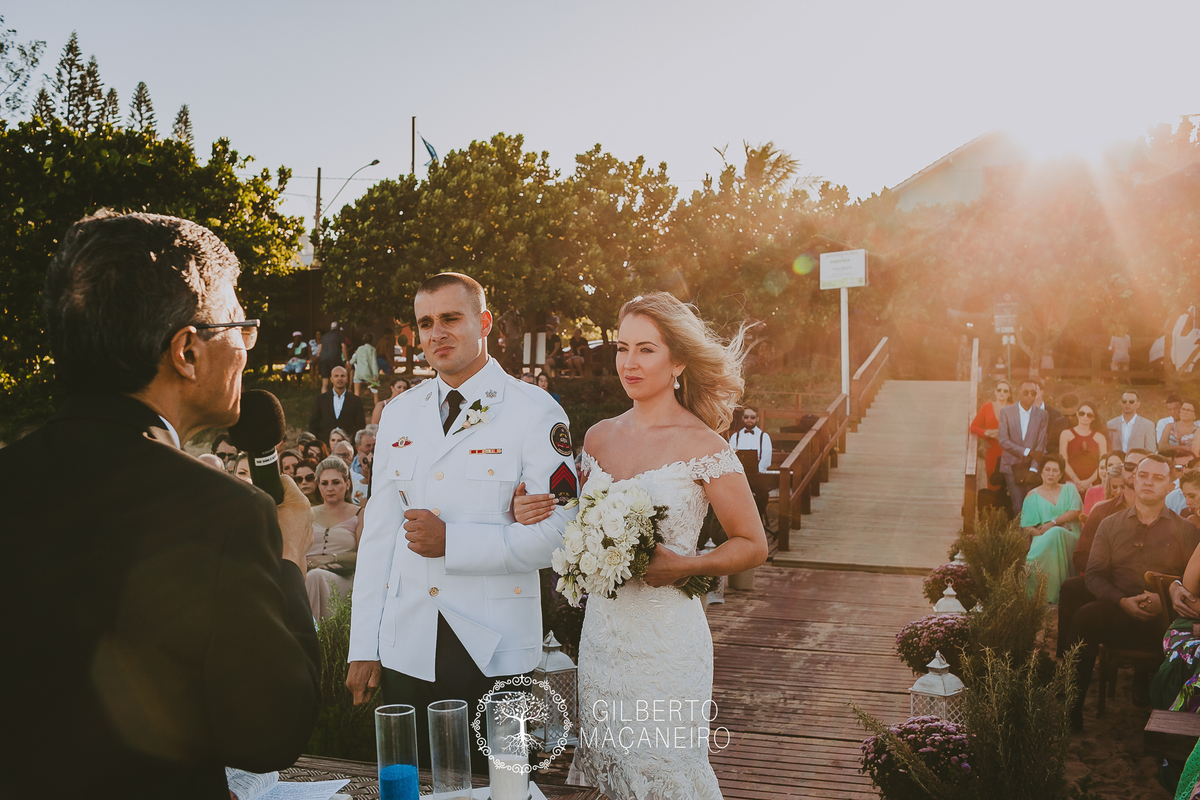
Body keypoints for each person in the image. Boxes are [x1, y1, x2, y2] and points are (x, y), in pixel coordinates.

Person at [0, 211, 319, 797]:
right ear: (187, 352)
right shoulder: (218, 512)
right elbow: (272, 731)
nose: (248, 351)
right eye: (240, 327)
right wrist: (289, 556)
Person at [514, 292, 768, 798]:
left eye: (646, 350)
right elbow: (575, 523)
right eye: (622, 347)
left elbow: (752, 544)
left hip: (668, 641)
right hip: (605, 637)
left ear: (678, 361)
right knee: (612, 772)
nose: (629, 362)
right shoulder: (598, 438)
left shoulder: (705, 446)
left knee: (665, 771)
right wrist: (526, 510)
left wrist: (685, 565)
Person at [347, 273, 578, 775]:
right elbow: (380, 538)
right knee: (412, 783)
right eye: (425, 323)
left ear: (484, 323)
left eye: (451, 318)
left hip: (492, 647)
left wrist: (453, 543)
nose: (436, 333)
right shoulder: (399, 414)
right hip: (408, 643)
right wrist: (364, 644)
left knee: (498, 786)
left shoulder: (534, 411)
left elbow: (562, 535)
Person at [1066, 454, 1200, 729]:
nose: (1148, 482)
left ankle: (1176, 728)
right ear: (1133, 479)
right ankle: (1071, 711)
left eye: (1157, 478)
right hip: (1118, 611)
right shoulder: (1110, 524)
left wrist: (1165, 599)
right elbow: (1093, 575)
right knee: (1083, 618)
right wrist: (1122, 600)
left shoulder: (1186, 530)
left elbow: (1193, 583)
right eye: (1143, 475)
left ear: (1170, 486)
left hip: (1166, 620)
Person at [307, 456, 364, 620]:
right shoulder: (307, 514)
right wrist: (309, 564)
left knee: (316, 577)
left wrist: (330, 559)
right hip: (306, 574)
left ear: (347, 484)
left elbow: (364, 556)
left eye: (336, 482)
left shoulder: (360, 514)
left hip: (344, 577)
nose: (330, 488)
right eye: (324, 483)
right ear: (318, 486)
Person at [1021, 455, 1082, 604]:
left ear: (1061, 474)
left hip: (1070, 534)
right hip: (1045, 538)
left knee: (1056, 532)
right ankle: (1038, 597)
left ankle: (1056, 597)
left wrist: (1053, 523)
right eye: (1047, 470)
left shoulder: (1069, 489)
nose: (1050, 473)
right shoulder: (1032, 496)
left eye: (1055, 471)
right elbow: (1026, 526)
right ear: (1041, 472)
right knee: (1051, 537)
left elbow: (1075, 511)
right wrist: (1040, 533)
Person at [998, 379, 1049, 518]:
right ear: (1019, 393)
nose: (1029, 396)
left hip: (1031, 467)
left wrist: (1033, 469)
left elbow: (1041, 445)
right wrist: (1027, 452)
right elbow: (1003, 440)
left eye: (1033, 393)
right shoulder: (1006, 412)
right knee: (1018, 506)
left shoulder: (1042, 415)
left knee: (1031, 506)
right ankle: (1020, 538)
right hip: (1011, 465)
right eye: (1026, 392)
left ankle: (1031, 538)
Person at [730, 406, 774, 521]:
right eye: (746, 417)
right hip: (740, 475)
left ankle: (756, 520)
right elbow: (731, 457)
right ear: (743, 418)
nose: (749, 419)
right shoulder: (736, 437)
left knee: (761, 495)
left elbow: (766, 458)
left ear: (757, 419)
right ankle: (739, 520)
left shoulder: (764, 437)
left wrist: (756, 471)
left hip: (757, 475)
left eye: (752, 417)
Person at [970, 379, 1013, 495]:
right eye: (999, 390)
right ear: (995, 392)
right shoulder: (986, 407)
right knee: (993, 483)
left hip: (1010, 451)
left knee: (1010, 485)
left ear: (1009, 394)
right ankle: (993, 511)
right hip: (992, 450)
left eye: (1005, 391)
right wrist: (986, 433)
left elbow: (1019, 429)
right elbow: (973, 426)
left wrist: (1000, 433)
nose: (1002, 393)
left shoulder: (1014, 408)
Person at [1059, 400, 1107, 498]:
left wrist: (1088, 482)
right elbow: (1063, 461)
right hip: (1071, 482)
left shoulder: (1100, 437)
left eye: (1089, 415)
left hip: (1093, 483)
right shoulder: (1066, 434)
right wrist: (1076, 481)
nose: (1085, 417)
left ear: (1093, 418)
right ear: (1077, 414)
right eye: (1082, 413)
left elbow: (1103, 464)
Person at [309, 365, 366, 446]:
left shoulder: (356, 400)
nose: (340, 378)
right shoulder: (321, 399)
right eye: (336, 376)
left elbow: (360, 425)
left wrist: (353, 443)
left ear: (347, 379)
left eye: (342, 376)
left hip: (348, 445)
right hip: (325, 445)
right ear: (331, 379)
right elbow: (313, 423)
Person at [1082, 451, 1125, 516]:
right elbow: (1086, 519)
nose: (1113, 468)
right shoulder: (1092, 492)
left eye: (1118, 465)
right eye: (1110, 465)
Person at [318, 321, 349, 393]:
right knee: (336, 381)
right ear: (338, 328)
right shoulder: (340, 336)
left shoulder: (324, 337)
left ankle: (324, 400)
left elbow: (319, 351)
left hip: (323, 360)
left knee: (325, 383)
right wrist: (347, 360)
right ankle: (336, 399)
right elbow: (344, 347)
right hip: (335, 359)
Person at [349, 332, 378, 397]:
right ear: (372, 340)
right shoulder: (372, 350)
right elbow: (374, 363)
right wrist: (375, 374)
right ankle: (376, 404)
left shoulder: (359, 348)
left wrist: (349, 362)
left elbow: (353, 360)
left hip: (358, 373)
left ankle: (355, 406)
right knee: (375, 392)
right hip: (368, 373)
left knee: (356, 393)